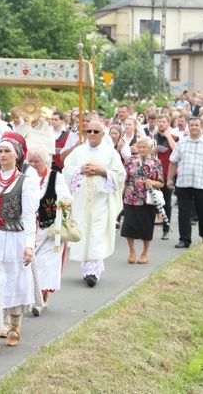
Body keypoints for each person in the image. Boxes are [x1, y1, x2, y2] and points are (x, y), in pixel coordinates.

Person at [0, 134, 39, 353]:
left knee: (15, 281)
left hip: (15, 236)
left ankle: (15, 324)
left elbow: (28, 216)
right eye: (0, 151)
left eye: (7, 151)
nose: (3, 155)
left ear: (16, 155)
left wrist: (29, 245)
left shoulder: (24, 181)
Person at [62, 120, 126, 286]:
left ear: (102, 134)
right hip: (81, 201)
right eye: (88, 131)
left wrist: (102, 172)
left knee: (97, 234)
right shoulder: (78, 152)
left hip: (101, 201)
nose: (91, 134)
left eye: (95, 131)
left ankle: (93, 271)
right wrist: (79, 170)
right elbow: (66, 169)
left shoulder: (111, 153)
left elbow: (120, 175)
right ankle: (87, 269)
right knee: (83, 232)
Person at [27, 145, 71, 315]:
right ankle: (38, 297)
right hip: (30, 229)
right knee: (30, 263)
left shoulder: (54, 177)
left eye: (36, 161)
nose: (32, 164)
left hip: (50, 229)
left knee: (44, 264)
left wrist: (65, 202)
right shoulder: (24, 178)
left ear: (44, 162)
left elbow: (66, 196)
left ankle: (40, 300)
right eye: (29, 161)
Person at [167, 117, 203, 248]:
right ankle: (184, 239)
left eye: (196, 125)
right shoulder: (182, 143)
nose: (194, 127)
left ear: (201, 127)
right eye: (191, 125)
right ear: (188, 126)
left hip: (202, 184)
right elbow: (173, 161)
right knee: (183, 213)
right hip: (183, 183)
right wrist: (169, 178)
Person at [121, 137, 164, 264]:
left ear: (150, 148)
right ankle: (132, 251)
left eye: (144, 147)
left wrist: (152, 182)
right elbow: (126, 179)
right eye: (139, 147)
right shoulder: (131, 160)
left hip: (147, 199)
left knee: (146, 226)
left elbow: (161, 183)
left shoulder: (156, 162)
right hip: (131, 196)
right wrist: (120, 195)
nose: (141, 149)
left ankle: (145, 253)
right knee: (128, 225)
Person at [153, 114, 177, 239]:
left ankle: (166, 230)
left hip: (168, 174)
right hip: (154, 174)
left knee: (167, 203)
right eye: (159, 121)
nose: (161, 124)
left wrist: (168, 137)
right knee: (151, 202)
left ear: (168, 123)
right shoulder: (153, 137)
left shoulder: (174, 137)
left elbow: (176, 150)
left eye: (164, 122)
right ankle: (148, 229)